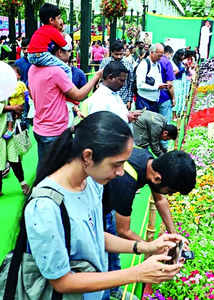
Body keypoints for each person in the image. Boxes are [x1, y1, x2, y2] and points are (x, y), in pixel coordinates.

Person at [22, 111, 185, 299]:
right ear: (88, 156)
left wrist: (147, 247)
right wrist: (137, 273)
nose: (121, 172)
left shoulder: (91, 183)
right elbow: (62, 281)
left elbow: (95, 236)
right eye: (117, 164)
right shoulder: (45, 207)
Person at [102, 147, 196, 299]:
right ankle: (105, 293)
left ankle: (114, 290)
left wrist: (173, 234)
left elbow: (160, 200)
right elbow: (124, 231)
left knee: (112, 254)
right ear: (158, 179)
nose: (170, 194)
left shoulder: (149, 161)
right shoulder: (125, 181)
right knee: (101, 254)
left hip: (109, 202)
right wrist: (152, 249)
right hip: (98, 209)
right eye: (170, 191)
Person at [29, 42, 102, 168]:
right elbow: (79, 95)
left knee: (44, 167)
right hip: (55, 131)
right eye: (68, 51)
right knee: (57, 172)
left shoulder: (33, 68)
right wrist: (96, 77)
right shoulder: (57, 71)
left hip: (39, 127)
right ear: (59, 52)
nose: (70, 54)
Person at [27, 3, 72, 79]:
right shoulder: (53, 31)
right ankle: (68, 89)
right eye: (59, 18)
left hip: (31, 56)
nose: (60, 21)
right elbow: (66, 46)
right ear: (51, 20)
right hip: (42, 55)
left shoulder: (39, 30)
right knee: (67, 69)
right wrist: (68, 42)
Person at [0, 83, 30, 196]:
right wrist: (12, 108)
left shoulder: (11, 88)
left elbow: (22, 104)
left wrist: (18, 110)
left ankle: (23, 184)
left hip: (11, 132)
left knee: (15, 159)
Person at [100, 40, 135, 109]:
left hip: (123, 99)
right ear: (111, 52)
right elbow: (101, 80)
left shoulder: (128, 64)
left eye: (121, 54)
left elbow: (131, 82)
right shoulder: (105, 62)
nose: (119, 57)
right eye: (116, 54)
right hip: (107, 98)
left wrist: (129, 100)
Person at [3, 65, 28, 140]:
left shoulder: (20, 84)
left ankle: (23, 137)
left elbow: (24, 90)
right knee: (9, 116)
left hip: (20, 104)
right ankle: (10, 129)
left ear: (19, 76)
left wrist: (26, 97)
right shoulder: (9, 84)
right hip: (12, 105)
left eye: (15, 74)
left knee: (21, 120)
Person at [158, 45, 175, 129]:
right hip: (164, 97)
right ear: (168, 53)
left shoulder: (151, 61)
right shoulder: (167, 63)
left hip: (152, 98)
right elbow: (169, 85)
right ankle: (163, 142)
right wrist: (173, 98)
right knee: (165, 123)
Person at [171, 49, 186, 119]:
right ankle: (173, 115)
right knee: (176, 97)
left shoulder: (180, 62)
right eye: (182, 55)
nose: (183, 56)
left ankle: (177, 113)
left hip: (180, 81)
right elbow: (173, 73)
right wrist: (180, 70)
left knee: (180, 97)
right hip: (176, 81)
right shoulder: (173, 63)